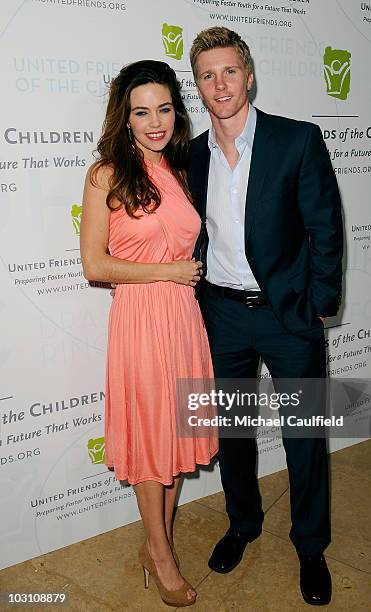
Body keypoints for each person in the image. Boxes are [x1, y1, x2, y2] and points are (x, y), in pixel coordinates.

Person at [188, 28, 343, 606]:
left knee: (305, 436)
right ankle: (243, 523)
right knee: (233, 432)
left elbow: (325, 229)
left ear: (248, 75)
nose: (219, 84)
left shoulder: (297, 140)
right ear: (198, 86)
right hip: (222, 315)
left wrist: (319, 305)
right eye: (207, 75)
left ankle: (310, 546)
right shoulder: (190, 155)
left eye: (229, 71)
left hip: (288, 317)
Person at [80, 60, 218, 608]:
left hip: (184, 318)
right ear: (125, 117)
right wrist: (166, 271)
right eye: (142, 111)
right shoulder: (106, 174)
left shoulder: (183, 170)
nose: (155, 121)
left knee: (178, 434)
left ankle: (154, 542)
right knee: (150, 434)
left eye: (164, 108)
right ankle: (160, 553)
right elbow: (94, 263)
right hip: (140, 318)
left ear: (176, 112)